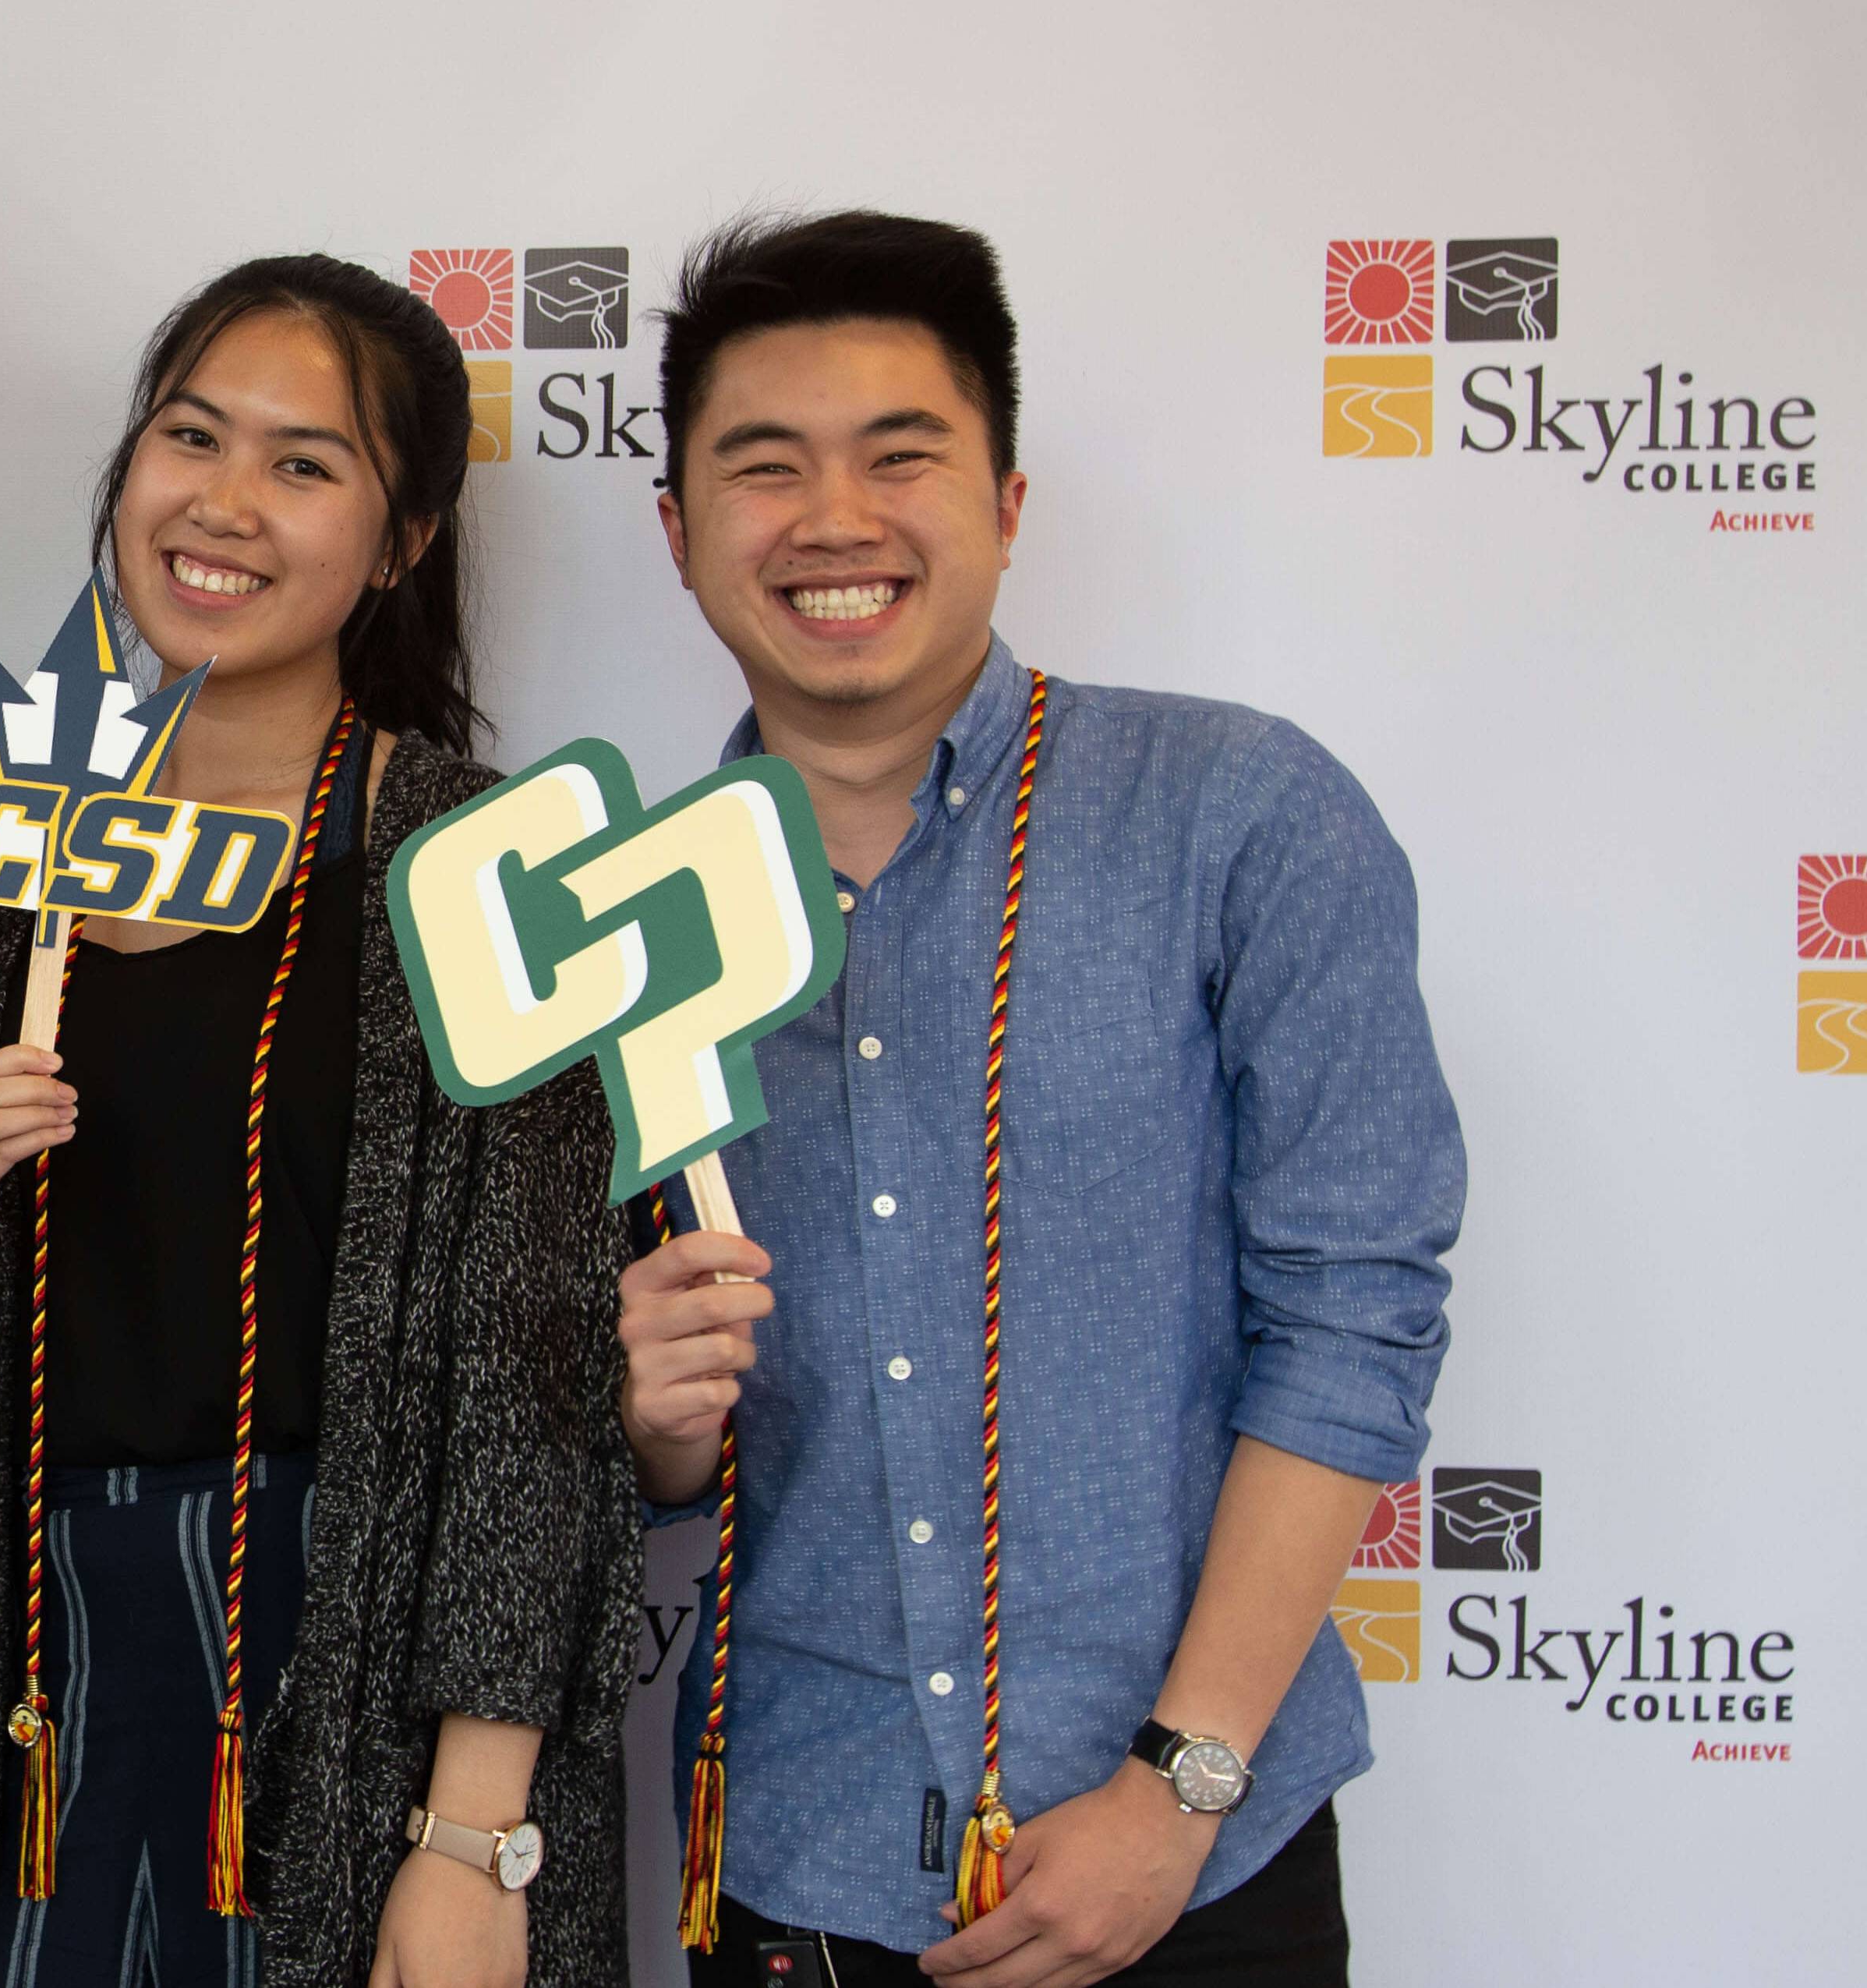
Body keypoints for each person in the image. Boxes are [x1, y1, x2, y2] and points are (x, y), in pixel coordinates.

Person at [622, 211, 1462, 1988]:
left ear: (1006, 504)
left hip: (1200, 1864)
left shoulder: (1240, 814)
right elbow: (637, 1451)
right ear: (680, 534)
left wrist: (1181, 1787)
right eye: (764, 469)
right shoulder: (610, 916)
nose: (834, 521)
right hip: (795, 1854)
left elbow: (1356, 1316)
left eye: (900, 458)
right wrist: (651, 1414)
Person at [0, 255, 637, 1988]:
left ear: (400, 542)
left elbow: (538, 1392)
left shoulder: (481, 865)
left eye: (305, 464)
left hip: (365, 1667)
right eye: (192, 435)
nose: (225, 503)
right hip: (35, 1659)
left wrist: (477, 1835)